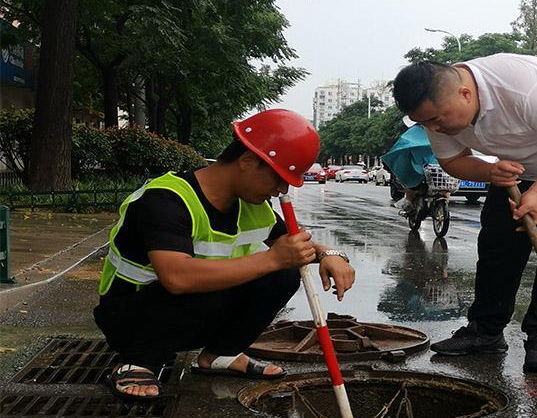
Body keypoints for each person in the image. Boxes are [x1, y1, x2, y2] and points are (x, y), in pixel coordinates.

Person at [94, 109, 355, 400]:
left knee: (284, 273)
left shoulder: (251, 204)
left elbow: (293, 245)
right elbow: (177, 277)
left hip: (196, 310)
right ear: (247, 161)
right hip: (133, 316)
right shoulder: (166, 199)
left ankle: (221, 354)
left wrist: (330, 253)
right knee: (269, 267)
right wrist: (272, 259)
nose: (281, 189)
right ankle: (139, 359)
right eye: (278, 178)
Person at [392, 55, 537, 372]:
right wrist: (491, 170)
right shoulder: (435, 112)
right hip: (519, 167)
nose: (434, 129)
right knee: (497, 246)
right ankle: (485, 331)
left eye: (437, 120)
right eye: (426, 123)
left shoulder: (526, 89)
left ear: (465, 93)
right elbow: (453, 161)